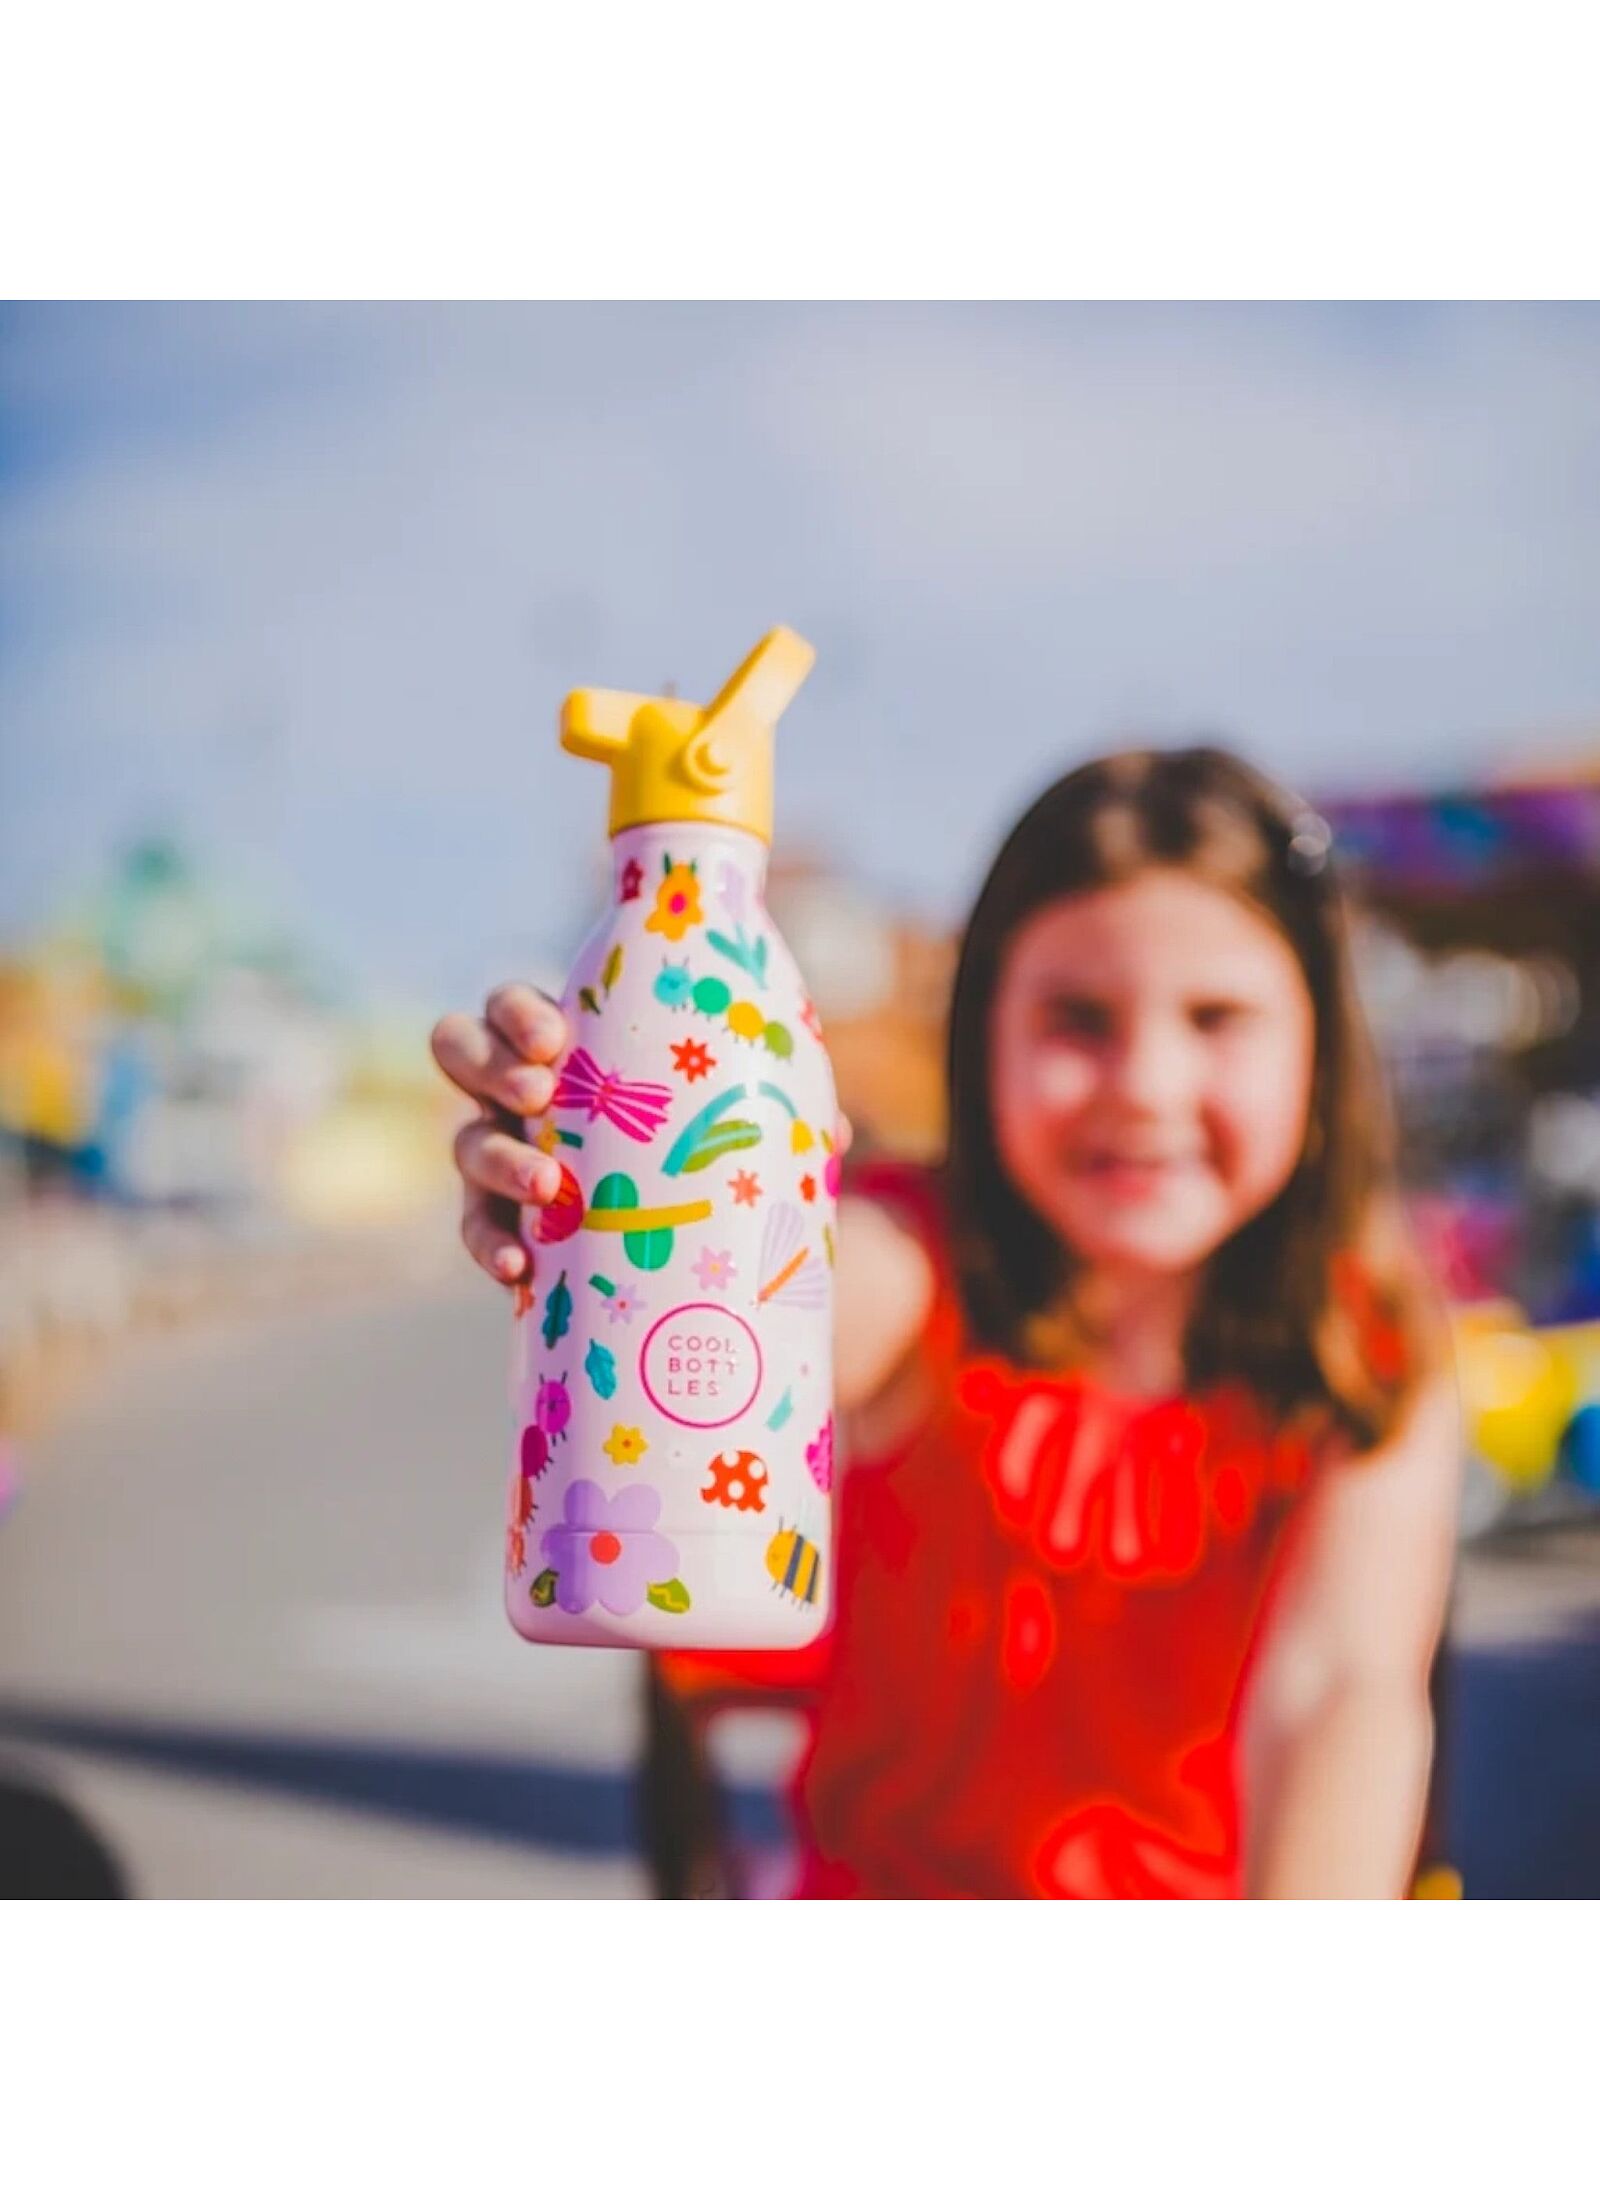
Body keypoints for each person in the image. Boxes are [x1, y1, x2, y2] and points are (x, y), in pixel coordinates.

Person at [433, 747, 1460, 1898]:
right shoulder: (912, 1261)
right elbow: (782, 1304)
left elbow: (1343, 1693)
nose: (1147, 1083)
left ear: (1321, 1048)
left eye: (1217, 1017)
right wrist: (622, 1203)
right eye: (1079, 1018)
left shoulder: (1369, 1336)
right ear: (983, 1039)